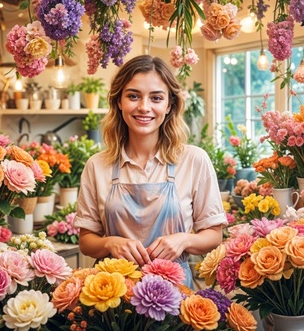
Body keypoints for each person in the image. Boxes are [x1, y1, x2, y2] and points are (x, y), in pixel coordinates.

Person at [73, 55, 227, 288]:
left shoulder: (194, 160)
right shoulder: (97, 165)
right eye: (133, 96)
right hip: (113, 295)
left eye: (156, 98)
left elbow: (214, 235)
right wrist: (109, 244)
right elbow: (86, 241)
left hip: (176, 291)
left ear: (169, 105)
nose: (144, 107)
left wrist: (184, 240)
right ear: (119, 102)